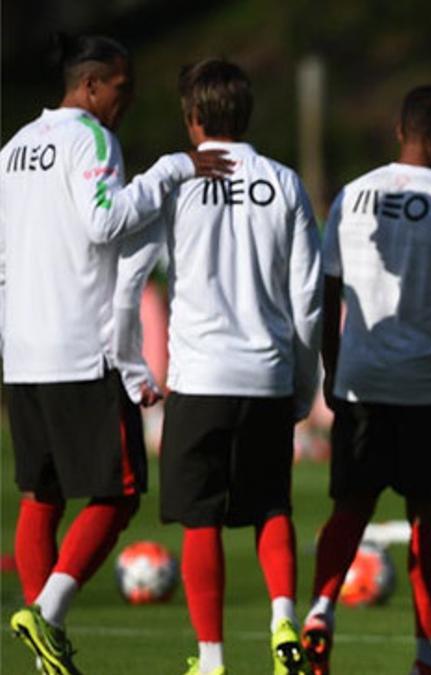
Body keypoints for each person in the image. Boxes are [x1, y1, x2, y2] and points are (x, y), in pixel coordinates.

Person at [1, 34, 230, 674]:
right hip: (81, 346)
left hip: (22, 347)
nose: (125, 104)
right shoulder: (91, 141)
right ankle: (45, 614)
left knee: (39, 495)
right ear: (93, 85)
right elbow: (104, 221)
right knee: (119, 493)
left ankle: (45, 650)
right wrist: (169, 170)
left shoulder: (13, 148)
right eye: (122, 91)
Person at [301, 85, 431, 675]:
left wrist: (331, 370)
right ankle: (428, 657)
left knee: (350, 507)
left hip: (358, 381)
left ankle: (320, 613)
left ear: (397, 131)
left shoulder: (352, 195)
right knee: (425, 518)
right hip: (422, 389)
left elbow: (328, 292)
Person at [143, 59, 322, 675]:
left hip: (199, 375)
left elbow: (135, 272)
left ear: (193, 118)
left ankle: (213, 660)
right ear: (246, 115)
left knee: (201, 520)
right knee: (272, 507)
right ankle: (282, 623)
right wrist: (304, 383)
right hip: (267, 373)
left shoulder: (174, 184)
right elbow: (308, 298)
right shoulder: (284, 182)